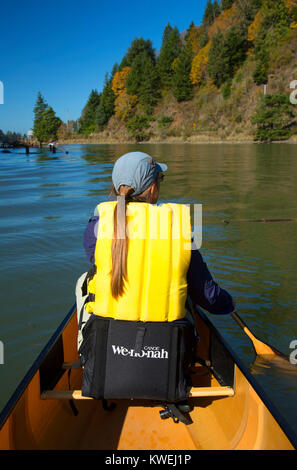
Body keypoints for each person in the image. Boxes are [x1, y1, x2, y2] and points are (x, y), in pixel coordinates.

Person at [76, 151, 235, 347]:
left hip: (111, 345)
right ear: (152, 189)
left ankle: (85, 349)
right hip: (164, 351)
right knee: (184, 285)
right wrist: (229, 304)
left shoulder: (95, 227)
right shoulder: (176, 229)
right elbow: (208, 295)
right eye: (161, 178)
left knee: (84, 280)